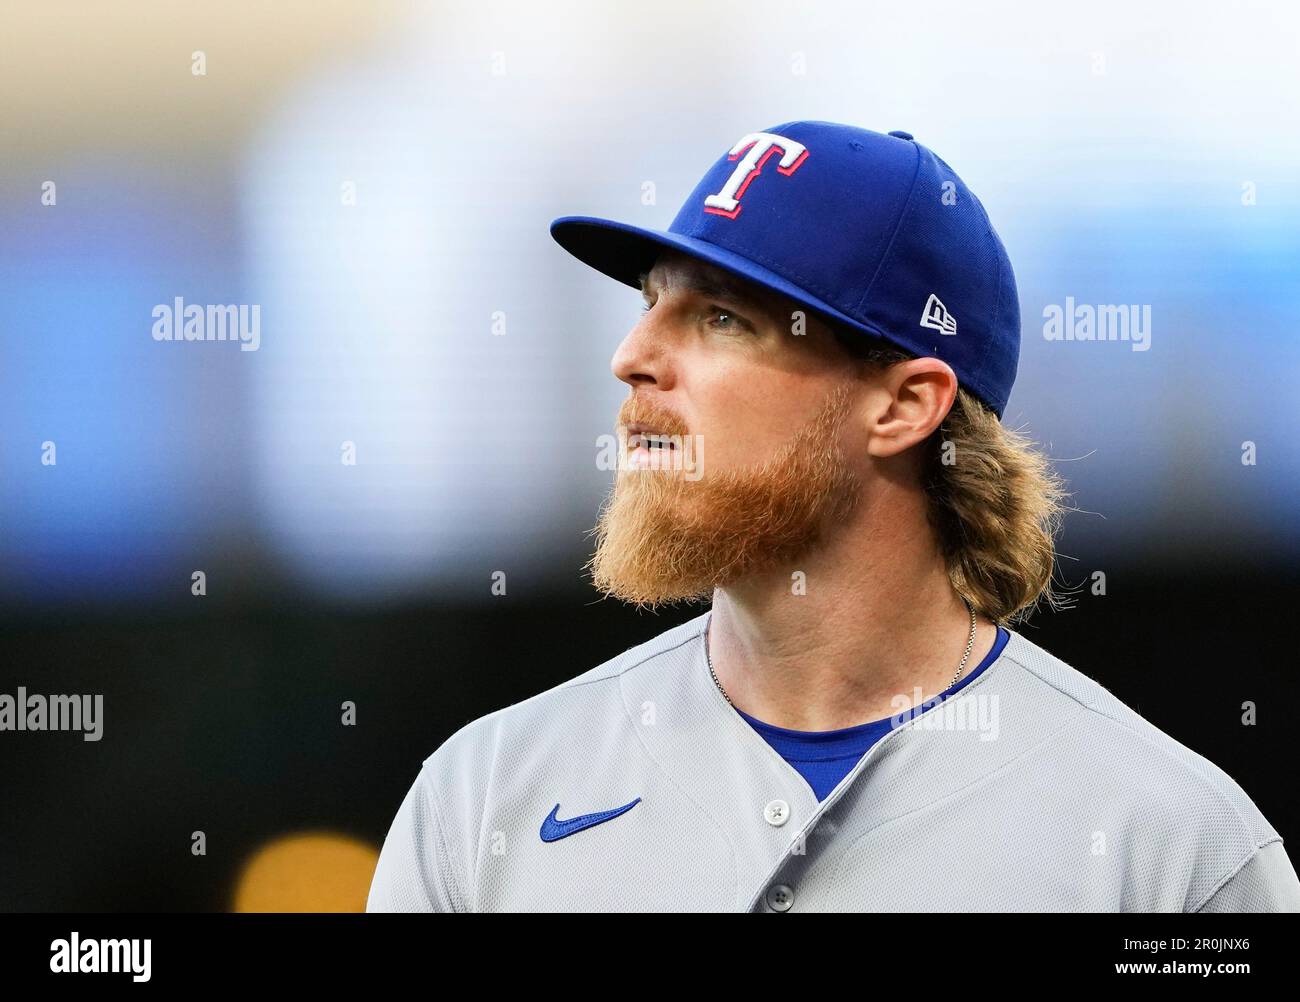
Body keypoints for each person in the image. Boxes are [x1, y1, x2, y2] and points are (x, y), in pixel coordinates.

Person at [367, 121, 1300, 911]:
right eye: (651, 303)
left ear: (902, 405)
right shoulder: (483, 794)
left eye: (722, 318)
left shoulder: (1174, 848)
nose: (632, 355)